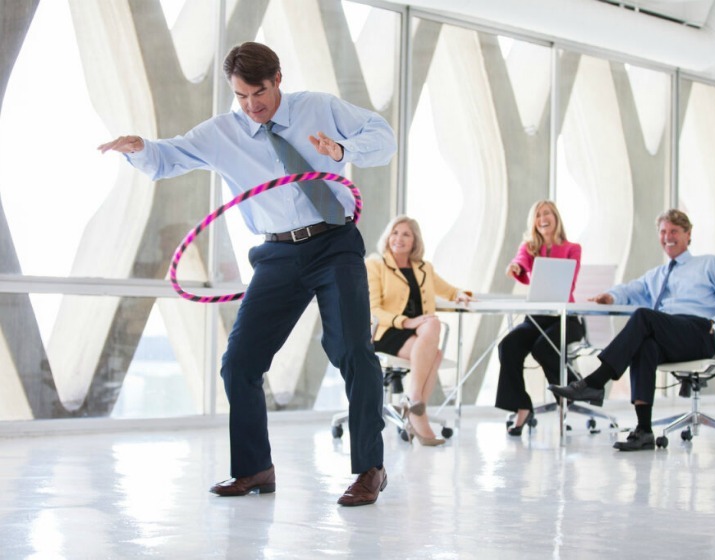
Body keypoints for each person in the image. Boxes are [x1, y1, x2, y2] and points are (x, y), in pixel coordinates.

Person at [98, 42, 397, 505]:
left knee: (353, 351)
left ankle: (370, 469)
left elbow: (383, 138)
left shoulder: (318, 107)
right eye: (241, 96)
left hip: (333, 243)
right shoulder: (223, 133)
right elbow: (168, 158)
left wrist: (342, 148)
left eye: (258, 93)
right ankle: (255, 468)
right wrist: (139, 149)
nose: (251, 105)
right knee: (239, 362)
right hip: (277, 254)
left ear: (277, 79)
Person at [549, 209, 715, 451]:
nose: (668, 237)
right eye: (663, 232)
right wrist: (611, 296)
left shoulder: (708, 264)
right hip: (670, 335)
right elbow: (631, 289)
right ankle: (644, 431)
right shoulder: (657, 275)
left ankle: (595, 381)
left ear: (688, 234)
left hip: (700, 333)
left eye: (674, 231)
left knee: (643, 316)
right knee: (645, 345)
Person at [366, 216, 472, 446]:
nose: (399, 238)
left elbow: (449, 290)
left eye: (406, 234)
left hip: (417, 333)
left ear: (415, 241)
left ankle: (414, 404)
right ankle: (416, 407)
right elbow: (373, 309)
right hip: (387, 331)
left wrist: (460, 294)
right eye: (395, 233)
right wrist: (406, 322)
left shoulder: (424, 268)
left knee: (433, 332)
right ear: (388, 237)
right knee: (435, 348)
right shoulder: (375, 265)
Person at [494, 200, 585, 435]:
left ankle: (572, 391)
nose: (542, 218)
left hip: (566, 318)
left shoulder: (572, 248)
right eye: (538, 215)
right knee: (508, 345)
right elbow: (520, 261)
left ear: (556, 217)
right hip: (536, 318)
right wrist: (516, 267)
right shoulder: (529, 247)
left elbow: (569, 281)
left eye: (547, 213)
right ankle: (522, 406)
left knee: (544, 347)